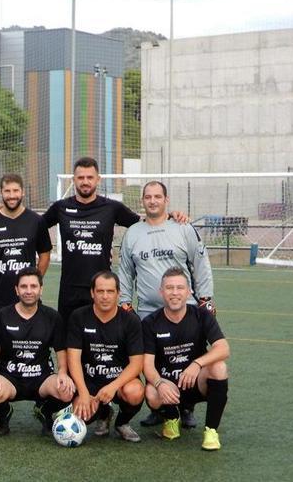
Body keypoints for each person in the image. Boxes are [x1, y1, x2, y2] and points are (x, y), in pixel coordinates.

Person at [119, 180, 215, 428]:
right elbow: (125, 271)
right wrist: (125, 303)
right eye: (148, 197)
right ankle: (160, 406)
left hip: (185, 308)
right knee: (152, 360)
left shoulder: (182, 226)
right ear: (143, 201)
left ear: (166, 200)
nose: (152, 201)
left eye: (157, 197)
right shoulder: (133, 233)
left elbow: (200, 263)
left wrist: (205, 299)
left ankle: (187, 406)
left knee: (187, 355)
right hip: (147, 311)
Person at [42, 158, 139, 326]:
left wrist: (171, 217)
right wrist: (3, 213)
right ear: (73, 180)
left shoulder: (112, 207)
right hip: (69, 290)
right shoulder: (61, 207)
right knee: (67, 344)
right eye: (80, 178)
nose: (85, 182)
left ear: (98, 179)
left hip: (102, 290)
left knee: (101, 344)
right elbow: (33, 226)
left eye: (90, 177)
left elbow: (144, 224)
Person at [142, 267, 230, 451]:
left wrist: (197, 364)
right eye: (169, 288)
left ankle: (211, 431)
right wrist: (159, 383)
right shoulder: (150, 323)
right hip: (169, 386)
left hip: (195, 382)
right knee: (150, 392)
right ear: (161, 292)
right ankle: (171, 417)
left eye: (180, 288)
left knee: (219, 368)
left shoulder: (201, 315)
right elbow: (147, 365)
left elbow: (223, 348)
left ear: (189, 291)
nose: (175, 293)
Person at [0, 267, 75, 435]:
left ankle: (45, 412)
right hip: (10, 377)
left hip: (41, 377)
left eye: (33, 286)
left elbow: (61, 352)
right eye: (24, 287)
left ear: (41, 289)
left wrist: (62, 373)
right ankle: (4, 414)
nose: (29, 291)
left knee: (67, 391)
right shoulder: (3, 315)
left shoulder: (52, 317)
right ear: (16, 290)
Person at [67, 271, 144, 443]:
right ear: (92, 293)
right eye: (100, 291)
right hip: (90, 381)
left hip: (120, 382)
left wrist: (113, 386)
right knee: (81, 415)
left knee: (135, 392)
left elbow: (137, 364)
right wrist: (84, 393)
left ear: (118, 293)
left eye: (110, 291)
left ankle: (122, 423)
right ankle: (104, 413)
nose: (105, 296)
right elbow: (73, 359)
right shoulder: (78, 317)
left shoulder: (131, 321)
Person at [0, 173, 52, 326]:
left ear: (22, 192)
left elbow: (45, 255)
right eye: (7, 191)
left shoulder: (36, 221)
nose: (12, 196)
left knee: (30, 345)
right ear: (1, 193)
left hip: (28, 297)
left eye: (15, 191)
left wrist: (34, 280)